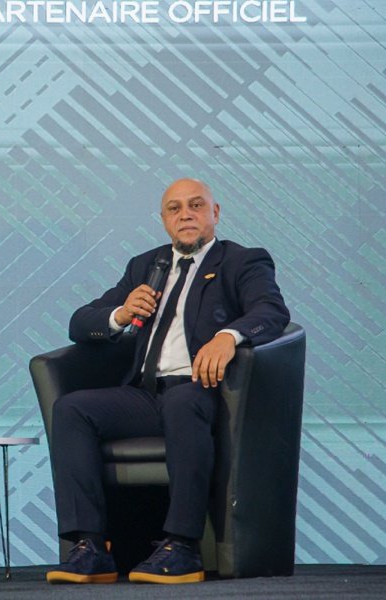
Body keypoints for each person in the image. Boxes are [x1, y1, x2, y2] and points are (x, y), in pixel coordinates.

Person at [46, 178, 290, 585]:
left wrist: (228, 337)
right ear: (163, 220)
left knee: (181, 402)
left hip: (203, 391)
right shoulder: (145, 265)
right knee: (72, 409)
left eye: (196, 205)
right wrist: (120, 314)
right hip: (144, 395)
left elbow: (271, 311)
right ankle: (91, 547)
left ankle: (182, 546)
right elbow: (80, 323)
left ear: (215, 213)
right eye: (175, 209)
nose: (185, 215)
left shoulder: (242, 261)